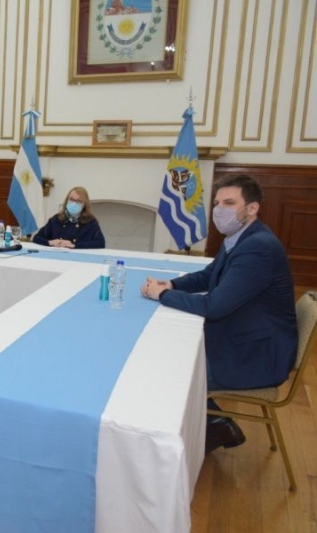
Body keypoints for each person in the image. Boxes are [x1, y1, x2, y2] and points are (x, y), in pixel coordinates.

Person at [141, 174, 297, 452]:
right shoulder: (240, 237)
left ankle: (206, 430)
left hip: (255, 356)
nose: (219, 209)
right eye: (216, 203)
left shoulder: (258, 247)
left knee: (165, 372)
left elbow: (214, 308)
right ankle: (216, 425)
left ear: (252, 208)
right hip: (244, 338)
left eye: (229, 202)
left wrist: (162, 294)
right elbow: (209, 275)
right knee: (167, 352)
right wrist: (174, 284)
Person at [32, 186, 105, 249]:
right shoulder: (56, 219)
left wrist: (74, 245)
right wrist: (50, 242)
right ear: (67, 200)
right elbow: (36, 238)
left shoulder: (90, 221)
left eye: (79, 201)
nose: (74, 203)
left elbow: (100, 243)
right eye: (71, 199)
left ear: (84, 205)